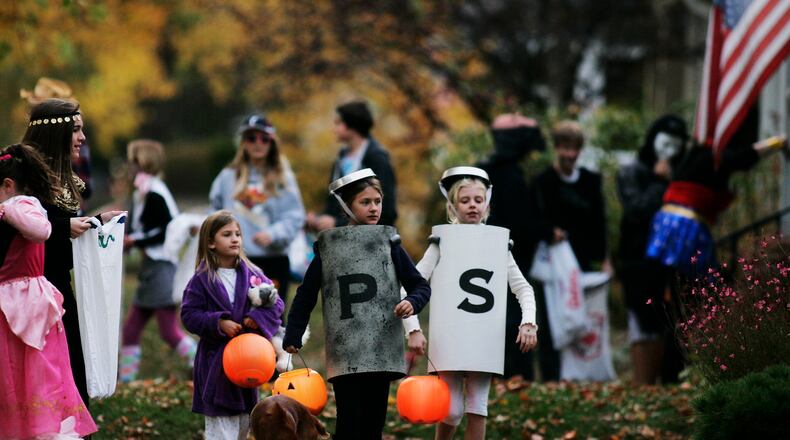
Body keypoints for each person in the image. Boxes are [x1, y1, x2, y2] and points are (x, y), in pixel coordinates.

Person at [283, 168, 430, 439]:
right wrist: (293, 333)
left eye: (377, 201)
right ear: (346, 205)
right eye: (365, 202)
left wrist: (412, 301)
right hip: (346, 351)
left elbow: (419, 285)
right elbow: (306, 294)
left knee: (374, 423)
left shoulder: (390, 243)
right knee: (349, 423)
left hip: (381, 349)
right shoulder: (331, 247)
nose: (374, 208)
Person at [403, 167, 538, 440]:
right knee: (451, 410)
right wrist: (413, 328)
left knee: (478, 406)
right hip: (450, 337)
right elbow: (412, 284)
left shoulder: (498, 243)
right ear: (452, 205)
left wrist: (528, 323)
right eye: (465, 200)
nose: (472, 206)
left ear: (487, 203)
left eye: (478, 200)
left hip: (484, 337)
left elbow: (523, 288)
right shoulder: (440, 242)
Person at [22, 98, 124, 407]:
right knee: (49, 380)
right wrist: (65, 226)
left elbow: (60, 228)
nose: (82, 139)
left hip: (61, 289)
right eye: (76, 130)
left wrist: (94, 224)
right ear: (57, 133)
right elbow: (22, 228)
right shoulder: (24, 177)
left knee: (74, 373)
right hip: (32, 296)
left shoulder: (61, 178)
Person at [0, 143, 98, 439]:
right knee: (15, 369)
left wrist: (5, 209)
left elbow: (42, 230)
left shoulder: (22, 205)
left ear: (7, 185)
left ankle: (43, 427)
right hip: (12, 299)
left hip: (27, 300)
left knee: (38, 368)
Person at [180, 210, 284, 440]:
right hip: (216, 364)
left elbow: (276, 304)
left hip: (249, 361)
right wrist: (218, 322)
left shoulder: (254, 275)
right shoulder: (202, 280)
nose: (235, 238)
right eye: (227, 234)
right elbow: (189, 314)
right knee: (221, 429)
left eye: (237, 234)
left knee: (243, 426)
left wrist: (257, 318)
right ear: (210, 243)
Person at [530, 120, 610, 381]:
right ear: (556, 148)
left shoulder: (590, 181)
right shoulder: (542, 182)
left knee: (580, 315)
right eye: (564, 147)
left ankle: (579, 373)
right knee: (551, 317)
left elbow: (600, 221)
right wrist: (548, 232)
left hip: (583, 260)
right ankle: (552, 376)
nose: (569, 154)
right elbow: (531, 219)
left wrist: (606, 258)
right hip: (552, 263)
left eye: (574, 148)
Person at [616, 115, 687, 385]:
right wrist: (659, 183)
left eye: (676, 145)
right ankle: (644, 388)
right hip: (639, 261)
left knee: (670, 325)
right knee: (645, 326)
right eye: (665, 142)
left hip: (671, 263)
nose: (670, 151)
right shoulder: (632, 172)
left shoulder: (678, 174)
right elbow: (636, 211)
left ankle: (670, 382)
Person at [120, 139, 197, 382]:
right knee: (131, 329)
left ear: (142, 161)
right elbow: (138, 226)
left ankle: (200, 361)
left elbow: (164, 230)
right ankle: (127, 381)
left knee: (168, 330)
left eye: (132, 161)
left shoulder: (155, 192)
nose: (129, 166)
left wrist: (135, 241)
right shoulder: (140, 192)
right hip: (150, 268)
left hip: (162, 268)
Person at [477, 113, 546, 380]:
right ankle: (513, 371)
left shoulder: (488, 171)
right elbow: (523, 221)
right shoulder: (512, 177)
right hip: (511, 255)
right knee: (512, 311)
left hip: (491, 255)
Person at [210, 114, 304, 307]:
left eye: (263, 138)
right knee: (235, 315)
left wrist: (273, 234)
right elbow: (214, 211)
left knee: (270, 318)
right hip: (234, 260)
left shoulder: (283, 178)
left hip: (272, 260)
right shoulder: (227, 177)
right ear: (243, 142)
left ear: (272, 142)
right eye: (251, 138)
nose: (257, 143)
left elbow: (294, 216)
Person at [306, 100, 398, 231]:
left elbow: (387, 210)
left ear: (352, 124)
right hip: (342, 240)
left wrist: (337, 223)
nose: (334, 129)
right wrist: (319, 219)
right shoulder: (340, 160)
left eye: (338, 123)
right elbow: (334, 205)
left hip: (372, 241)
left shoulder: (377, 158)